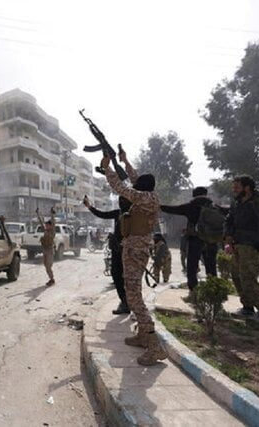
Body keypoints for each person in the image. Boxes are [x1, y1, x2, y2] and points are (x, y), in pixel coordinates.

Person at [102, 150, 167, 366]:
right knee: (133, 294)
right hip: (136, 248)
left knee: (134, 298)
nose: (136, 184)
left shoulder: (144, 198)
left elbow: (120, 187)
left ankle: (154, 346)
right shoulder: (149, 195)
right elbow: (136, 179)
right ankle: (142, 337)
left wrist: (107, 168)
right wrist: (125, 161)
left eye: (139, 184)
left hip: (135, 250)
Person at [224, 175, 259, 323]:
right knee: (236, 276)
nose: (234, 190)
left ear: (247, 188)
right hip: (238, 243)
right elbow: (229, 220)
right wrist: (228, 236)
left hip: (252, 245)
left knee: (248, 277)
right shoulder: (237, 202)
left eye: (237, 187)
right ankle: (247, 307)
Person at [160, 187, 221, 300]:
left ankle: (193, 293)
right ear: (206, 194)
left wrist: (159, 206)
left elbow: (173, 209)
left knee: (192, 267)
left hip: (195, 240)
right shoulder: (215, 207)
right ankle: (214, 295)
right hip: (211, 241)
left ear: (194, 195)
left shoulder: (191, 206)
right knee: (211, 267)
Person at [84, 195, 131, 315]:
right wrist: (89, 207)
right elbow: (102, 214)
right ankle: (125, 301)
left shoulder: (134, 214)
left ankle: (129, 302)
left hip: (129, 250)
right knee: (116, 275)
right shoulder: (118, 213)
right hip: (117, 250)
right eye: (120, 200)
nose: (121, 202)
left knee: (129, 278)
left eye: (124, 200)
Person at [37, 207, 56, 286]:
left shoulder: (52, 231)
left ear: (50, 226)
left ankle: (52, 279)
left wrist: (52, 214)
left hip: (50, 250)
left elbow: (53, 222)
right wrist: (38, 214)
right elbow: (41, 222)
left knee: (48, 266)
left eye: (48, 225)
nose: (46, 226)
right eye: (46, 225)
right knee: (46, 265)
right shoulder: (45, 231)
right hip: (45, 250)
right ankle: (51, 279)